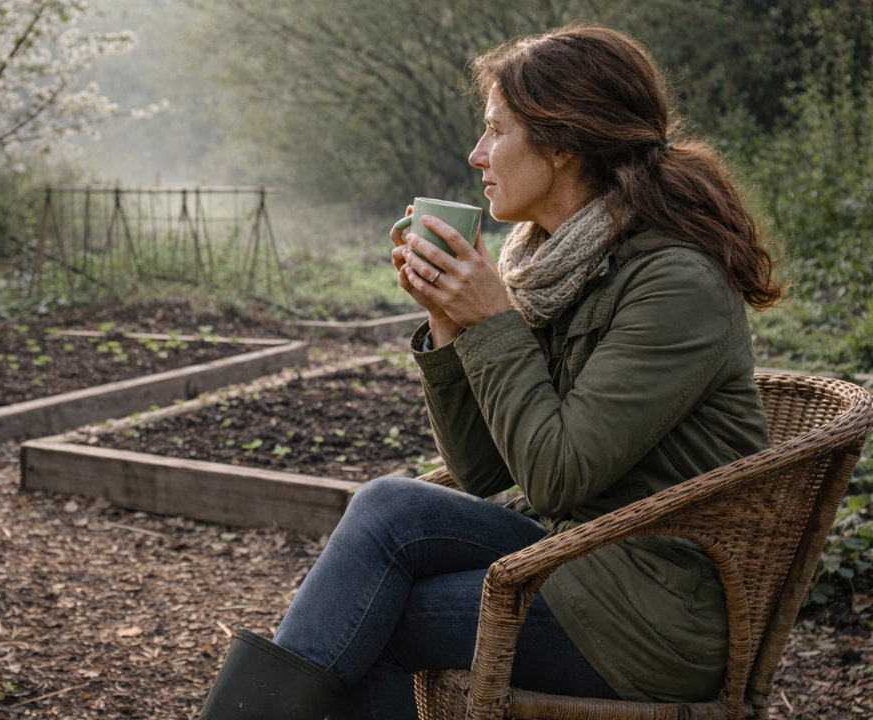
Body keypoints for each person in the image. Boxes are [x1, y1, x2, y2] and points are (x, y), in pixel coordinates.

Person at [195, 22, 784, 720]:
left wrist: (492, 320)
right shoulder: (559, 266)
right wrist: (448, 322)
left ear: (562, 144)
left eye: (495, 131)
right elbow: (484, 472)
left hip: (650, 611)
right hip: (573, 557)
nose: (477, 155)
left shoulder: (673, 281)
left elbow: (557, 472)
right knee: (390, 510)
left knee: (372, 615)